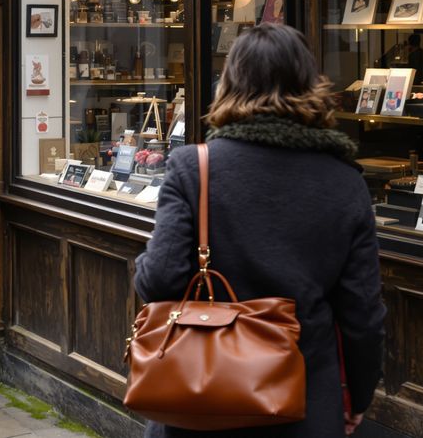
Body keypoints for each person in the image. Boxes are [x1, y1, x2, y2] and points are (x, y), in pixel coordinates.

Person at [133, 23, 385, 438]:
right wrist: (357, 398)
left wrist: (148, 261)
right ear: (309, 83)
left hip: (200, 396)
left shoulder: (194, 168)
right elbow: (363, 315)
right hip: (301, 402)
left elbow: (158, 280)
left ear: (228, 84)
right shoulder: (345, 181)